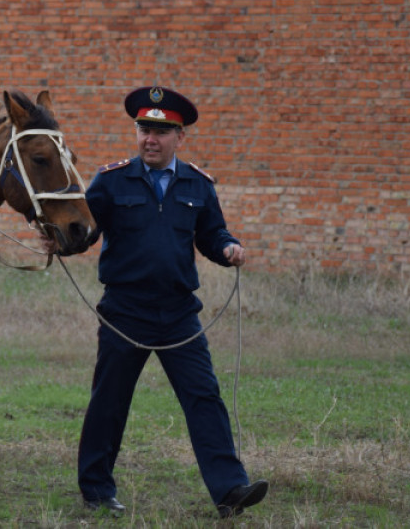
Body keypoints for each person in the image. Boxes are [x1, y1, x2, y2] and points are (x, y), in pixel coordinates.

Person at [76, 85, 267, 519]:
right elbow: (83, 232)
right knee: (110, 400)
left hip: (180, 314)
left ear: (180, 137)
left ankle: (230, 490)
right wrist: (59, 241)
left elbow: (212, 234)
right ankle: (96, 489)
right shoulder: (110, 181)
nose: (150, 139)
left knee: (204, 396)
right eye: (144, 129)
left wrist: (229, 247)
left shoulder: (198, 185)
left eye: (161, 132)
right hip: (125, 311)